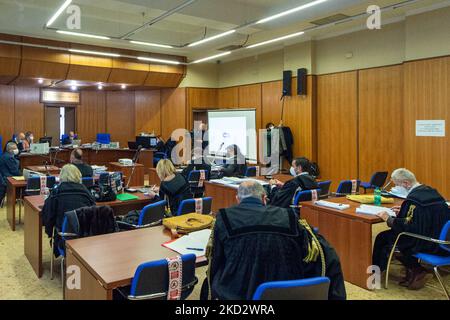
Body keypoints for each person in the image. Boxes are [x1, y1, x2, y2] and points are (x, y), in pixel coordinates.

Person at [204, 181, 346, 300]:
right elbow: (319, 252)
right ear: (264, 198)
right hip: (287, 290)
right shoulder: (289, 216)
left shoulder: (224, 217)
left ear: (238, 199)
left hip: (238, 292)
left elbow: (215, 261)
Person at [372, 168, 450, 290]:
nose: (394, 189)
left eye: (397, 185)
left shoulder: (414, 200)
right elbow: (421, 217)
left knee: (383, 238)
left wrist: (388, 218)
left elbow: (408, 226)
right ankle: (412, 271)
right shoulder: (429, 192)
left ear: (406, 183)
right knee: (392, 237)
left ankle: (378, 275)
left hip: (426, 242)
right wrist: (404, 209)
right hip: (440, 239)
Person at [42, 164, 96, 257]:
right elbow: (94, 212)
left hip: (64, 237)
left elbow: (48, 214)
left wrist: (49, 231)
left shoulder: (57, 192)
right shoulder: (86, 192)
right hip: (85, 237)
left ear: (62, 176)